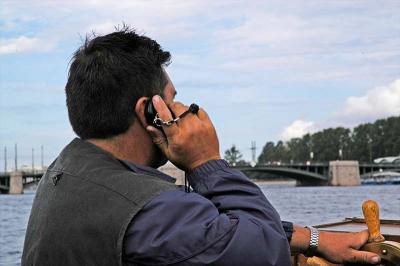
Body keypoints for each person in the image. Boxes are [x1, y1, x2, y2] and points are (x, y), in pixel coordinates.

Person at [22, 27, 381, 266]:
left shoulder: (67, 171)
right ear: (150, 112)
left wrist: (311, 239)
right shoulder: (152, 211)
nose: (184, 112)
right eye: (174, 102)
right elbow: (263, 253)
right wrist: (206, 161)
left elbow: (209, 235)